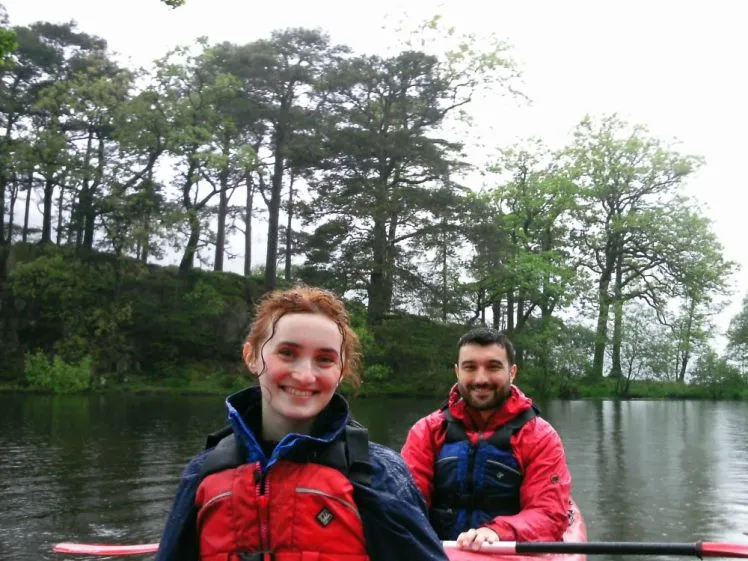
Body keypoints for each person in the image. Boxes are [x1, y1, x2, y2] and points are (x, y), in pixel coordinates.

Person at [155, 285, 449, 561]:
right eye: (287, 353)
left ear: (341, 370)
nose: (305, 376)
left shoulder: (380, 473)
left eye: (324, 359)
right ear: (252, 357)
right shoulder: (202, 472)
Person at [401, 327, 572, 551]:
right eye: (470, 368)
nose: (481, 379)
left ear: (512, 372)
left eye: (493, 367)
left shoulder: (540, 437)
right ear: (457, 372)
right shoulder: (426, 431)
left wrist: (495, 532)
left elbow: (548, 513)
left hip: (506, 553)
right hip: (439, 552)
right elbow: (405, 503)